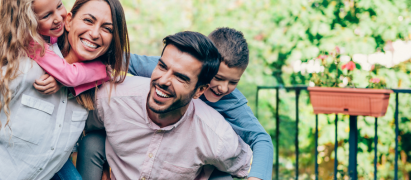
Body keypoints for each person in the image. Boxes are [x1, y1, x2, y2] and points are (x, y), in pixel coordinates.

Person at [0, 0, 130, 179]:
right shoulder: (27, 63)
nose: (95, 33)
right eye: (88, 20)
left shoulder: (96, 88)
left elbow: (56, 152)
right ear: (69, 21)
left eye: (107, 28)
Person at [77, 28, 273, 180]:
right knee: (93, 141)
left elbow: (261, 139)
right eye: (219, 77)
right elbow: (121, 60)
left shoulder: (231, 104)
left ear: (200, 88)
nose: (223, 88)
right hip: (141, 146)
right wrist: (72, 69)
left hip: (198, 158)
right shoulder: (167, 69)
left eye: (233, 82)